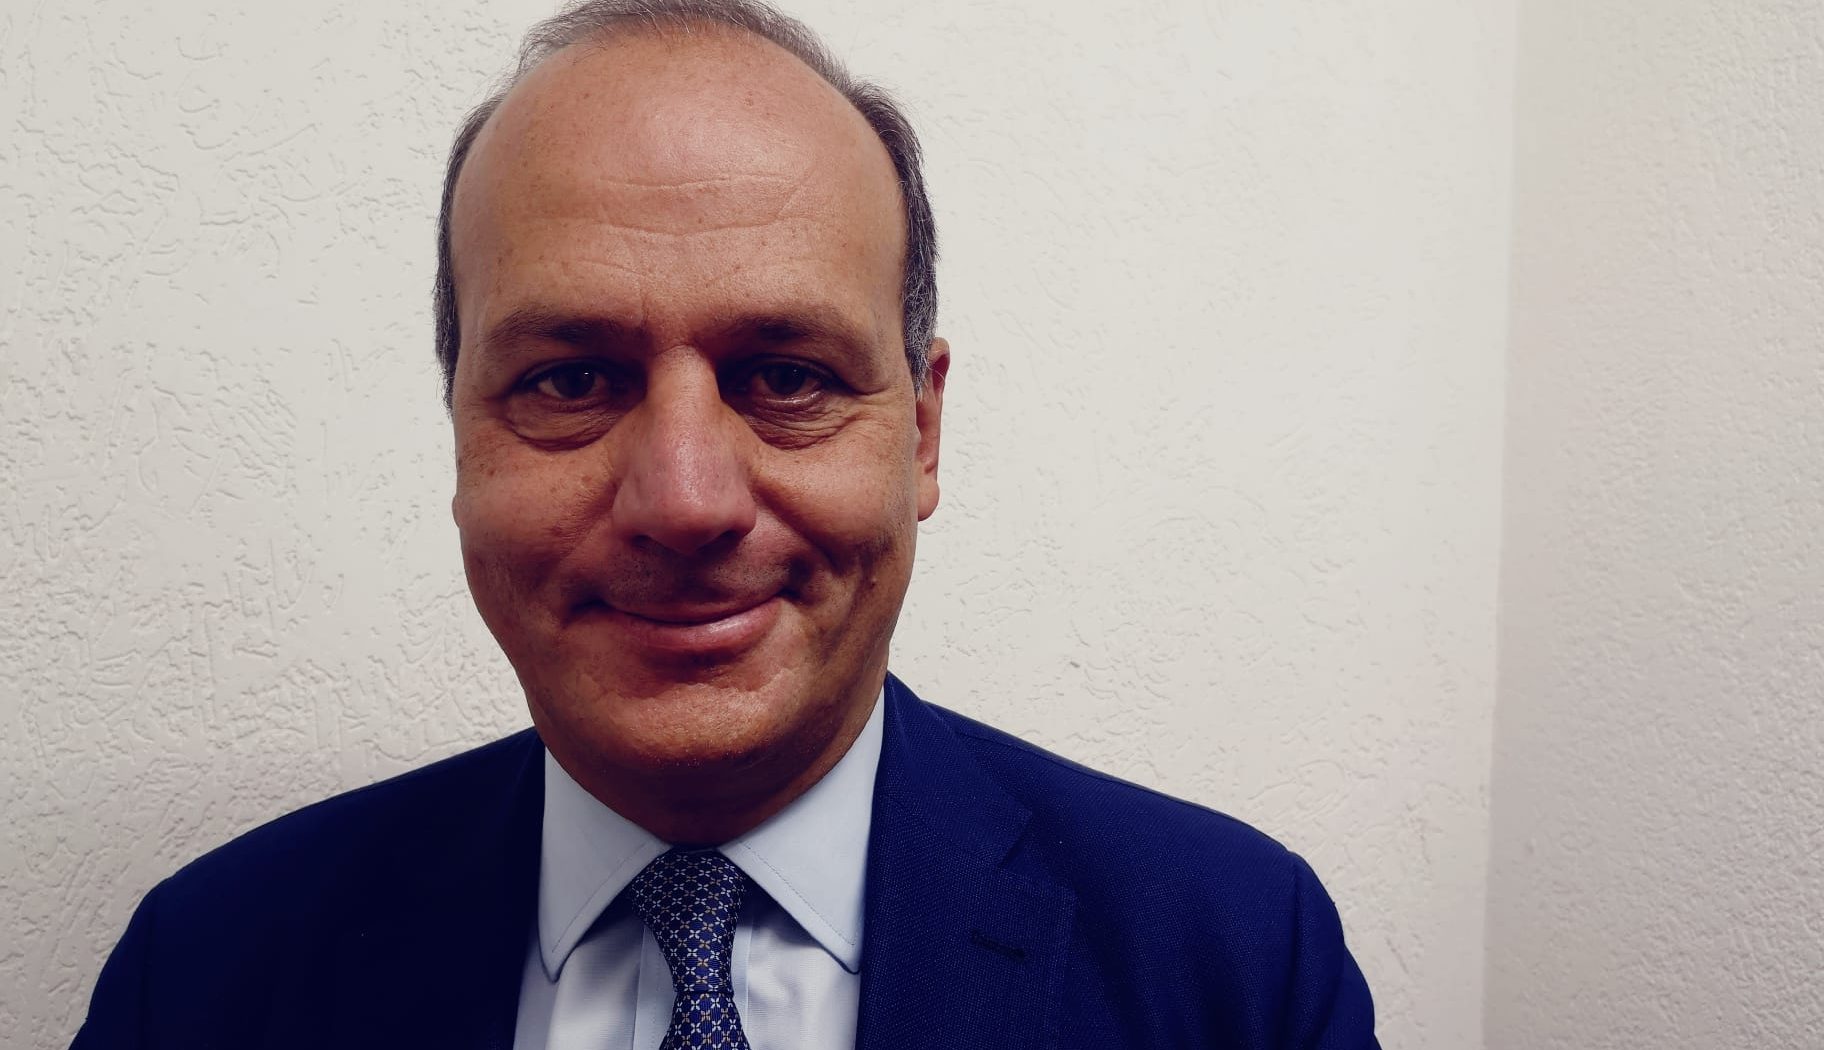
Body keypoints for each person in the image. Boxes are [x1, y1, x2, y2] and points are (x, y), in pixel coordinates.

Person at [71, 1, 1378, 1047]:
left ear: (921, 432)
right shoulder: (206, 975)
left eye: (788, 376)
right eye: (570, 382)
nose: (686, 500)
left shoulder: (1233, 964)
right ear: (460, 431)